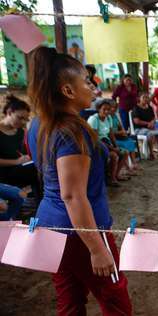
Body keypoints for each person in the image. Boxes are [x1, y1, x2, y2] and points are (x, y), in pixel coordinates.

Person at [26, 46, 132, 315]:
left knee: (70, 300)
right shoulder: (73, 131)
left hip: (49, 224)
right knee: (115, 299)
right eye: (87, 81)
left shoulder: (38, 124)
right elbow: (72, 195)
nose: (94, 86)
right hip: (81, 231)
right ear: (67, 91)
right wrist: (96, 248)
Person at [0, 95, 41, 202]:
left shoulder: (21, 132)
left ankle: (39, 203)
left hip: (20, 170)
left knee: (40, 166)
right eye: (20, 118)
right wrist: (16, 161)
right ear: (9, 112)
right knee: (37, 170)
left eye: (25, 119)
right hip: (4, 173)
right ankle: (41, 203)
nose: (23, 122)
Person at [87, 101, 130, 186]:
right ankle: (111, 179)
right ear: (99, 109)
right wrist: (113, 149)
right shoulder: (94, 119)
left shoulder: (109, 118)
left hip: (106, 143)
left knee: (125, 152)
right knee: (114, 155)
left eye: (108, 110)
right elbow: (96, 139)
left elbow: (111, 135)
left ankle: (116, 175)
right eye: (104, 109)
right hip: (96, 145)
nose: (106, 111)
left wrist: (116, 146)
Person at [107, 99, 140, 172]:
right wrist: (120, 132)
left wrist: (123, 131)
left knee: (130, 142)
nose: (114, 109)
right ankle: (127, 167)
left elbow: (120, 125)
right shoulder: (107, 117)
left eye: (115, 107)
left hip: (119, 135)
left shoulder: (115, 115)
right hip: (112, 138)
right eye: (112, 107)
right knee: (124, 146)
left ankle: (134, 163)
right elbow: (109, 132)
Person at [132, 93, 158, 160]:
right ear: (139, 98)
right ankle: (151, 153)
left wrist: (152, 123)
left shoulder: (150, 107)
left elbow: (153, 118)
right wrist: (148, 124)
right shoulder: (136, 108)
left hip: (150, 128)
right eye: (144, 97)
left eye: (147, 97)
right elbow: (136, 121)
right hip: (139, 129)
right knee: (150, 134)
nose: (146, 99)